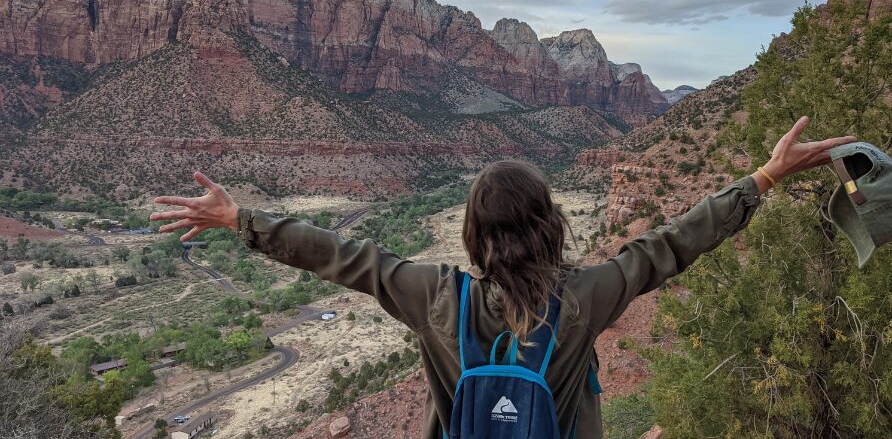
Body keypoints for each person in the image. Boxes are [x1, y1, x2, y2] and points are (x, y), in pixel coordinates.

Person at [150, 116, 855, 438]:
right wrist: (762, 177)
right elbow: (671, 245)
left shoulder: (432, 295)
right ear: (549, 224)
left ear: (471, 234)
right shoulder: (584, 297)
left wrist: (240, 219)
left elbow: (341, 255)